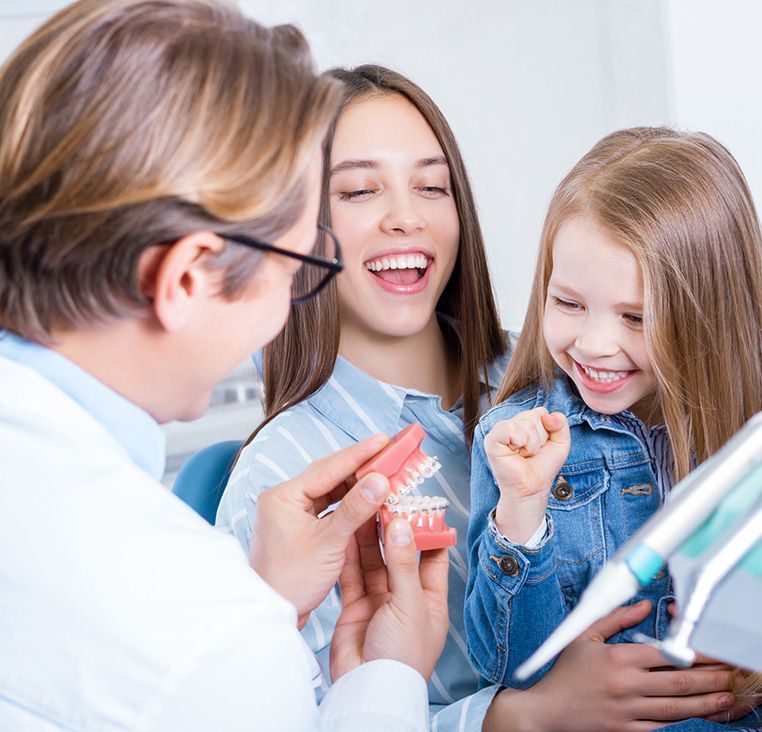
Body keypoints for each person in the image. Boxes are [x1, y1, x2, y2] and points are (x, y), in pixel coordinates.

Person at [215, 70, 746, 732]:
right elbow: (288, 718)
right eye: (357, 190)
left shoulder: (583, 371)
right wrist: (519, 716)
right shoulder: (281, 480)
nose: (404, 215)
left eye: (432, 186)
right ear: (294, 229)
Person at [0, 2, 450, 730]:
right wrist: (386, 681)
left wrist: (258, 600)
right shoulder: (212, 647)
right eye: (299, 264)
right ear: (187, 280)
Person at [465, 127, 762, 730]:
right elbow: (511, 666)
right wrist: (523, 510)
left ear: (711, 313)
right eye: (568, 303)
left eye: (635, 317)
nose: (594, 344)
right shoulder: (518, 445)